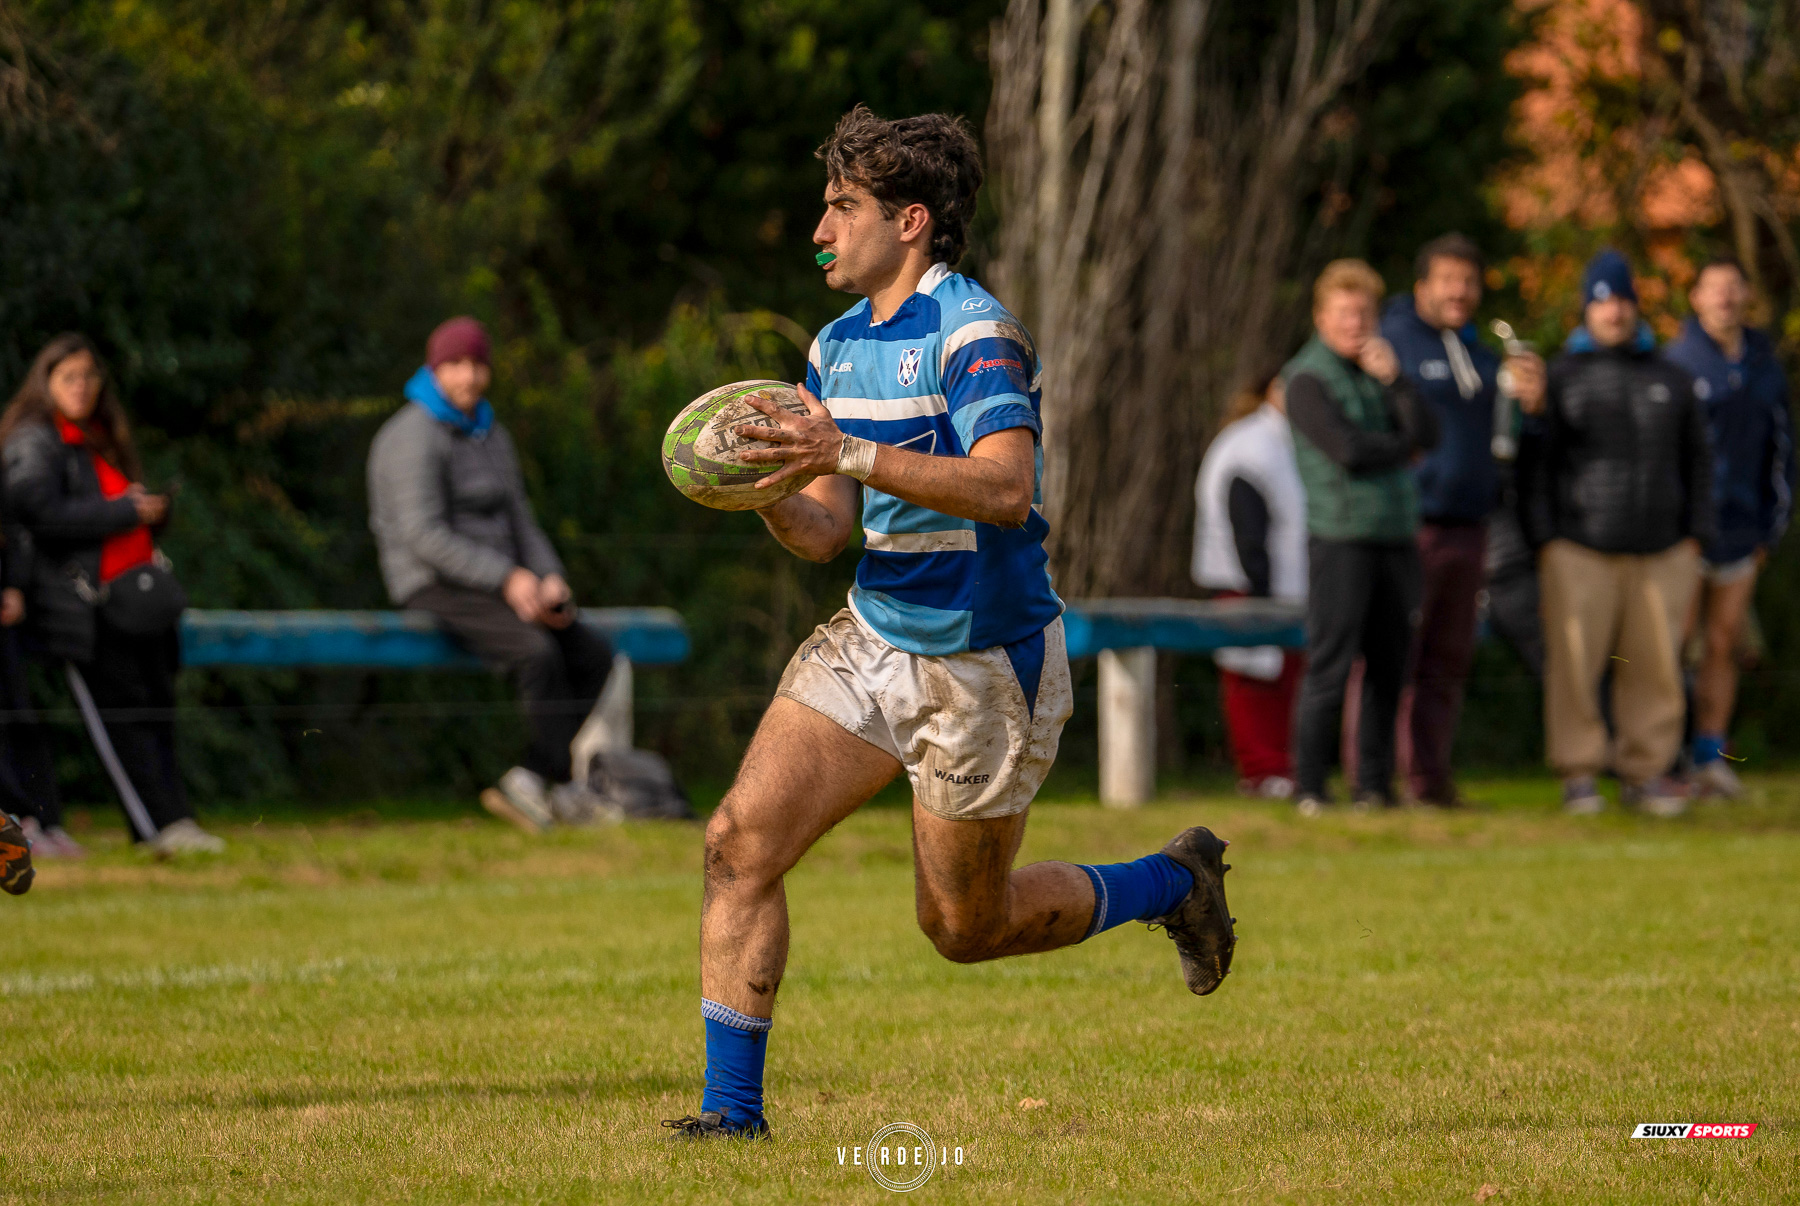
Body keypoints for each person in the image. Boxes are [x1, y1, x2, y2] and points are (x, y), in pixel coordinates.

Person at [659, 106, 1236, 1140]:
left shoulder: (974, 334)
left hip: (982, 665)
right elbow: (829, 532)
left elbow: (1008, 488)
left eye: (842, 208)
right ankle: (730, 1118)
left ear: (911, 220)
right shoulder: (835, 346)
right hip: (876, 633)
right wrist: (766, 488)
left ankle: (1172, 881)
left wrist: (846, 456)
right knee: (737, 844)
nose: (820, 231)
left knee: (965, 928)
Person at [367, 316, 613, 833]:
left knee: (591, 653)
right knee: (537, 654)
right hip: (430, 583)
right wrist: (507, 578)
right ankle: (538, 781)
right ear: (434, 369)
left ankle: (539, 778)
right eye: (456, 365)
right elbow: (422, 536)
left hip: (503, 580)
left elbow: (520, 518)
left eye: (479, 365)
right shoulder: (410, 436)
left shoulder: (489, 431)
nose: (470, 377)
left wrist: (549, 576)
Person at [0, 333, 225, 854]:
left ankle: (177, 820)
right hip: (82, 607)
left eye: (90, 377)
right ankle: (153, 830)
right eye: (69, 378)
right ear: (46, 381)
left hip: (135, 602)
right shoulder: (35, 438)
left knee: (155, 708)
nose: (82, 387)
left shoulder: (99, 436)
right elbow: (35, 513)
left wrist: (149, 514)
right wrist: (125, 512)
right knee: (119, 718)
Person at [1517, 250, 1713, 816]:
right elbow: (1536, 467)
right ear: (1587, 309)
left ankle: (1646, 772)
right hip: (1580, 548)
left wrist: (1696, 535)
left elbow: (1698, 461)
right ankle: (1579, 772)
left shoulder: (1672, 377)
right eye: (1603, 300)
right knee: (1576, 667)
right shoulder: (1560, 376)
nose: (1615, 311)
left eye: (1623, 299)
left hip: (1663, 549)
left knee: (1655, 668)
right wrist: (1546, 540)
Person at [1380, 234, 1547, 806]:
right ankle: (1375, 781)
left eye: (1470, 281)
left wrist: (1531, 403)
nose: (1460, 291)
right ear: (1422, 285)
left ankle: (1430, 781)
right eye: (1448, 279)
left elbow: (1510, 443)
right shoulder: (1391, 341)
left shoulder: (1483, 354)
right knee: (1393, 655)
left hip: (1473, 526)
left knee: (1448, 660)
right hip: (1410, 525)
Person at [1286, 259, 1439, 814]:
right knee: (1330, 664)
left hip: (1396, 534)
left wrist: (1397, 383)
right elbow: (1346, 449)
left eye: (1365, 313)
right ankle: (1310, 787)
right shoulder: (1306, 377)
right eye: (1346, 313)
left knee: (1389, 664)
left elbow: (1430, 432)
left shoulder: (1381, 370)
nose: (1356, 324)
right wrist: (1402, 447)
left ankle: (1374, 786)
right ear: (1322, 316)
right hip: (1341, 536)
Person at [1662, 257, 1794, 798]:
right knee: (1674, 643)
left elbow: (1782, 452)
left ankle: (1710, 756)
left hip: (1744, 530)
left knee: (1724, 645)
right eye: (1714, 288)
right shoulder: (1677, 361)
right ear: (1695, 298)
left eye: (1734, 288)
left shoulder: (1765, 364)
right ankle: (1663, 757)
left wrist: (1770, 529)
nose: (1725, 298)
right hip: (1686, 529)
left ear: (1746, 297)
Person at [1191, 373, 1306, 798]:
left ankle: (1281, 769)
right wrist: (1261, 589)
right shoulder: (1251, 443)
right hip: (1248, 584)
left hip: (1282, 587)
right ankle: (1261, 772)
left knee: (1282, 683)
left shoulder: (1285, 440)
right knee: (1253, 683)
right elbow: (1246, 523)